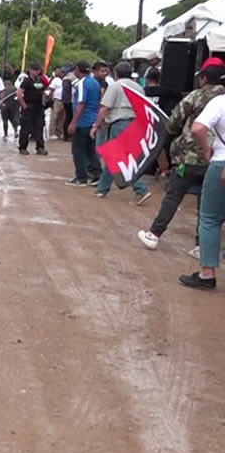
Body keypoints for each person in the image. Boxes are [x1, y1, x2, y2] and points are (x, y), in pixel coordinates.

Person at [139, 58, 225, 253]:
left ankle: (154, 234)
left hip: (189, 156)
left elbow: (173, 122)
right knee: (208, 207)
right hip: (218, 160)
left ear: (203, 78)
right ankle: (200, 246)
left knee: (173, 197)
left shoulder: (195, 97)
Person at [179, 92, 225, 290]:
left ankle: (207, 274)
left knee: (210, 220)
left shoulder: (220, 102)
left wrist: (207, 149)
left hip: (220, 164)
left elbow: (198, 129)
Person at [91, 61, 151, 203]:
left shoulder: (116, 86)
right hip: (135, 124)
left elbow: (105, 108)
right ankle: (102, 188)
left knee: (120, 158)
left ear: (116, 73)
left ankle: (141, 188)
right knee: (114, 156)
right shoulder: (138, 87)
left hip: (119, 124)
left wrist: (96, 125)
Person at [67, 60, 103, 185]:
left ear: (77, 69)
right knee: (90, 150)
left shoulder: (82, 84)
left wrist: (73, 122)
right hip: (92, 120)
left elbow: (81, 104)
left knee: (78, 150)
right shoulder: (95, 83)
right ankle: (97, 174)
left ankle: (81, 177)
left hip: (83, 121)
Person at [16, 63, 50, 155]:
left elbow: (44, 91)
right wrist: (24, 105)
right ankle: (23, 147)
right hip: (28, 107)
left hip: (39, 107)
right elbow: (19, 93)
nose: (36, 71)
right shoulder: (26, 81)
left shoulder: (41, 80)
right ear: (30, 70)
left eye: (37, 69)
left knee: (39, 127)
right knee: (25, 128)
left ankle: (40, 147)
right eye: (34, 69)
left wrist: (44, 101)